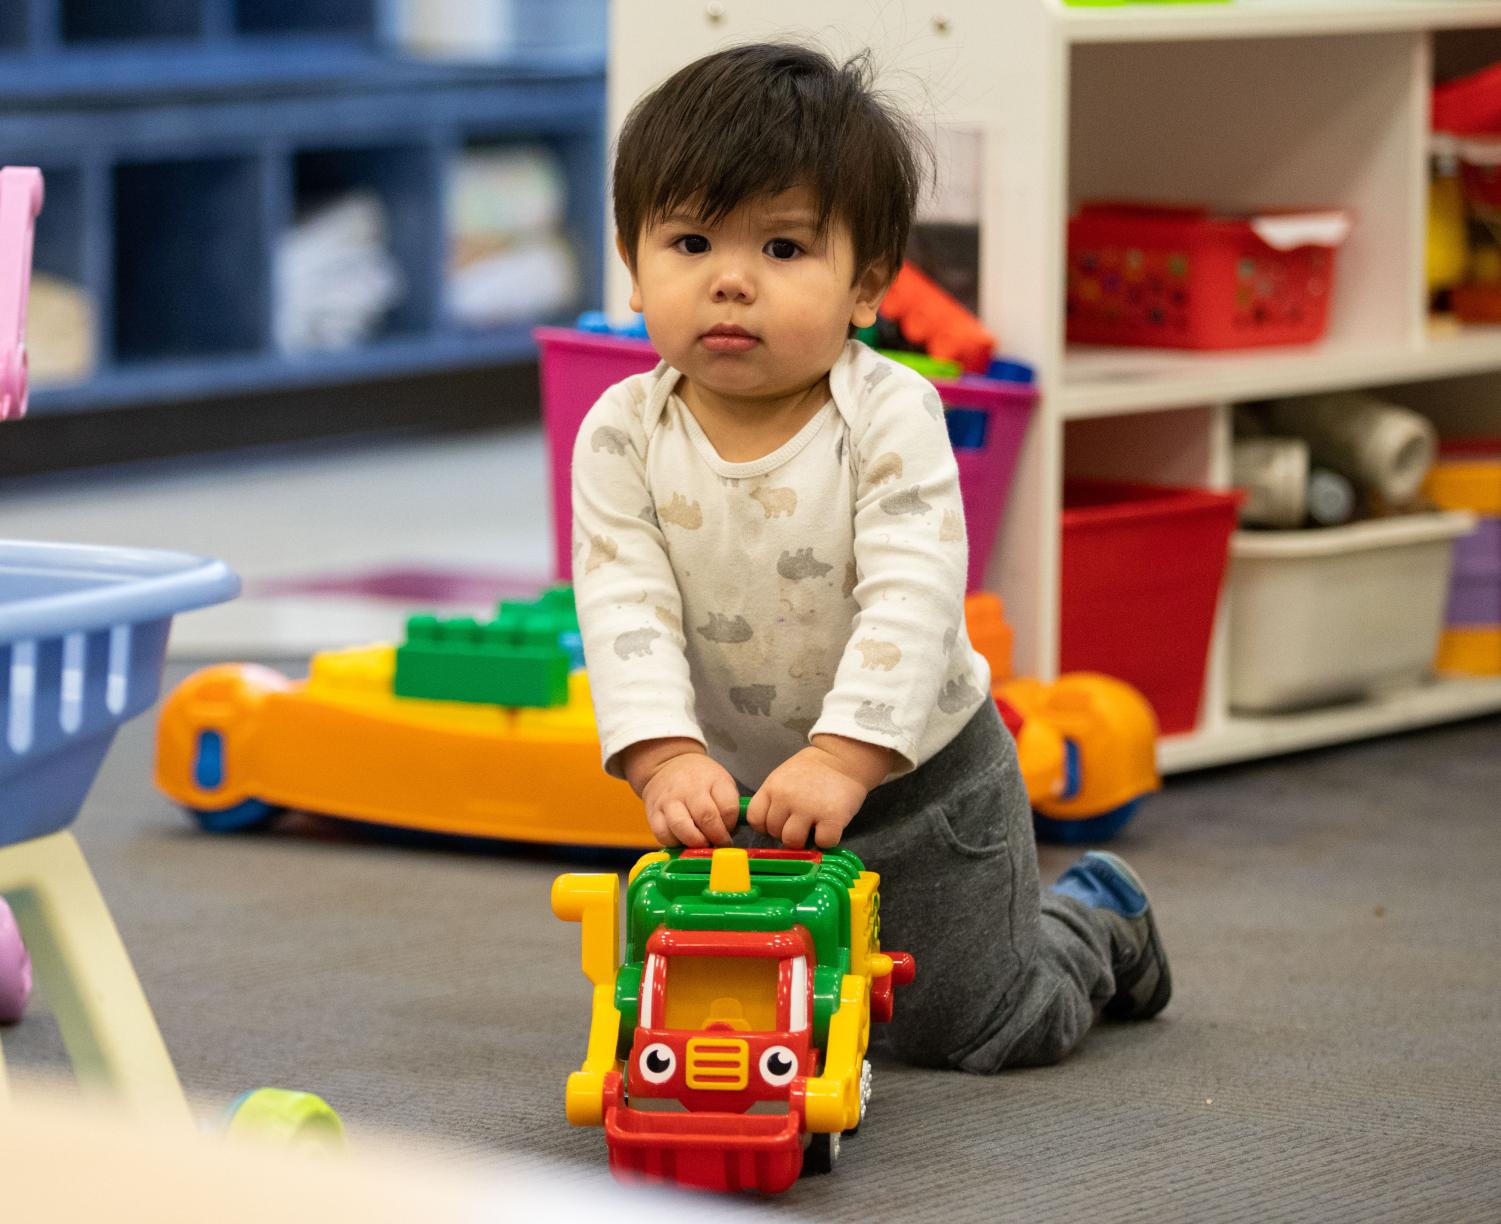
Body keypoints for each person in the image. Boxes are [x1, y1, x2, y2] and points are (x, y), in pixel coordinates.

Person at [571, 41, 1170, 1071]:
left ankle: (1094, 923)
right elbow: (620, 597)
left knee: (983, 1029)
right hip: (743, 795)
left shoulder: (888, 413)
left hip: (919, 779)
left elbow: (913, 591)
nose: (729, 282)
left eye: (784, 250)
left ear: (867, 287)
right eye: (690, 241)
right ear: (632, 266)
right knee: (714, 1017)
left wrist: (847, 754)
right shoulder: (620, 431)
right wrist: (661, 750)